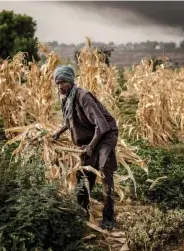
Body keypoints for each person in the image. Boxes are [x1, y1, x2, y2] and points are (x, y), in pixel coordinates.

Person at [51, 65, 119, 230]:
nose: (60, 86)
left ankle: (109, 218)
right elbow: (70, 120)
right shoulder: (65, 98)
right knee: (83, 173)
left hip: (105, 135)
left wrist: (90, 146)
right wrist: (58, 133)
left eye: (63, 82)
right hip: (90, 137)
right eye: (58, 83)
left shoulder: (83, 96)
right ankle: (81, 212)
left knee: (103, 170)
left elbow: (102, 126)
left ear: (71, 81)